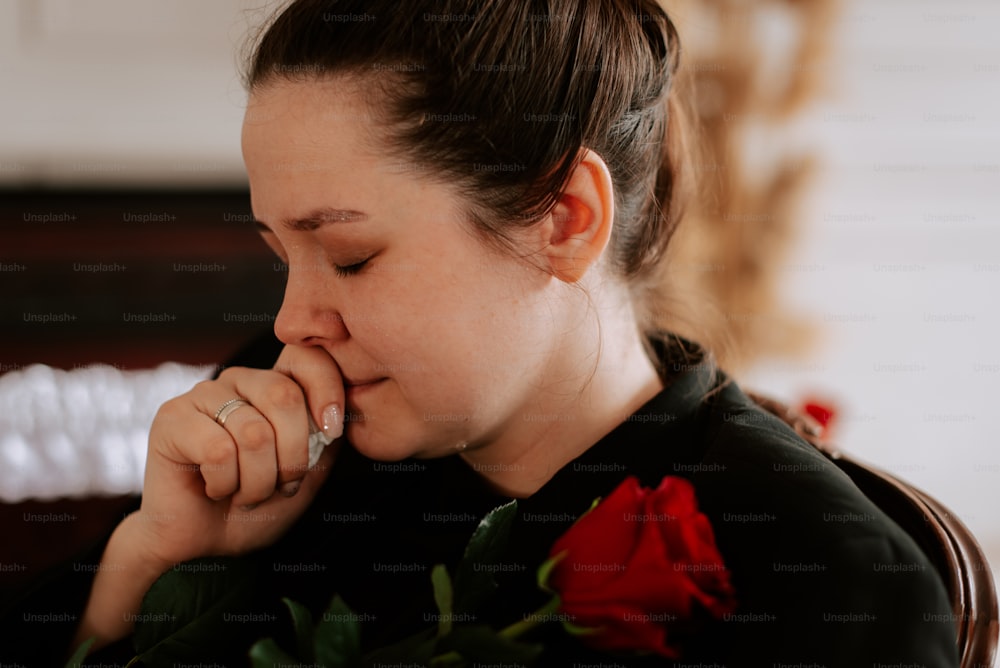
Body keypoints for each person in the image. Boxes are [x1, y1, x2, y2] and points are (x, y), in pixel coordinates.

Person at [2, 1, 959, 665]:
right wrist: (155, 559)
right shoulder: (284, 439)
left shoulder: (829, 574)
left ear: (564, 218)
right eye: (280, 255)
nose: (295, 320)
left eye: (352, 256)